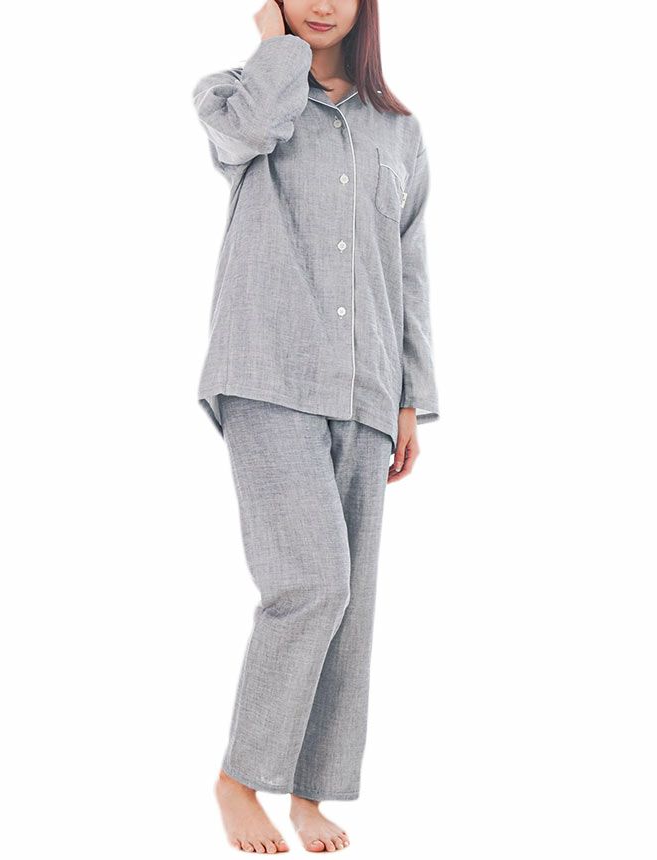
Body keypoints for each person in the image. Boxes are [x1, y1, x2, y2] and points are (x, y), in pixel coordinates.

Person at [190, 0, 440, 852]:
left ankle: (310, 792)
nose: (322, 3)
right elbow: (244, 137)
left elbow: (408, 265)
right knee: (312, 583)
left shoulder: (398, 131)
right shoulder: (236, 92)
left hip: (367, 389)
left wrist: (409, 396)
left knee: (350, 605)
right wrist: (275, 47)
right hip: (267, 371)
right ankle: (238, 779)